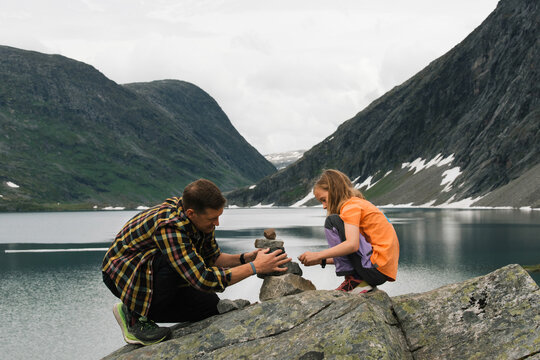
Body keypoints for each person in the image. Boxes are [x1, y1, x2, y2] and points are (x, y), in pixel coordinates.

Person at [102, 179, 290, 346]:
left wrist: (246, 258)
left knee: (209, 307)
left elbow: (213, 259)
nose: (217, 223)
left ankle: (143, 309)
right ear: (191, 213)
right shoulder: (170, 227)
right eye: (212, 218)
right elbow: (202, 279)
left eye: (219, 216)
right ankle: (134, 314)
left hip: (153, 274)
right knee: (174, 264)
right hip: (124, 274)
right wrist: (255, 267)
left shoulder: (200, 220)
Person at [298, 169, 399, 294]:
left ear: (334, 190)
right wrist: (321, 260)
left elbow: (352, 245)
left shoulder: (350, 207)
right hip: (379, 270)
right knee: (338, 223)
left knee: (332, 221)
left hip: (374, 270)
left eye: (324, 200)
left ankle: (354, 279)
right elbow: (355, 254)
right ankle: (361, 282)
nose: (324, 206)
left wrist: (318, 254)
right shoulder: (359, 203)